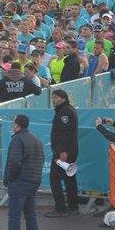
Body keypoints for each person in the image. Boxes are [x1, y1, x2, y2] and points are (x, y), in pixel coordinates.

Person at [0, 114, 43, 230]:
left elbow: (14, 162)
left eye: (13, 124)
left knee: (14, 216)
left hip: (20, 182)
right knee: (31, 214)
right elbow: (41, 159)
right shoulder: (36, 140)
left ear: (17, 125)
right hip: (34, 180)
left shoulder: (17, 140)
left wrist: (9, 179)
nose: (12, 126)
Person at [46, 89, 80, 218]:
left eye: (55, 97)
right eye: (52, 97)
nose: (53, 100)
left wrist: (62, 151)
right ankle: (73, 206)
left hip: (63, 152)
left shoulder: (64, 112)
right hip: (69, 149)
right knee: (69, 178)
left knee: (54, 178)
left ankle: (60, 208)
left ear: (63, 98)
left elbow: (64, 133)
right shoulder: (67, 110)